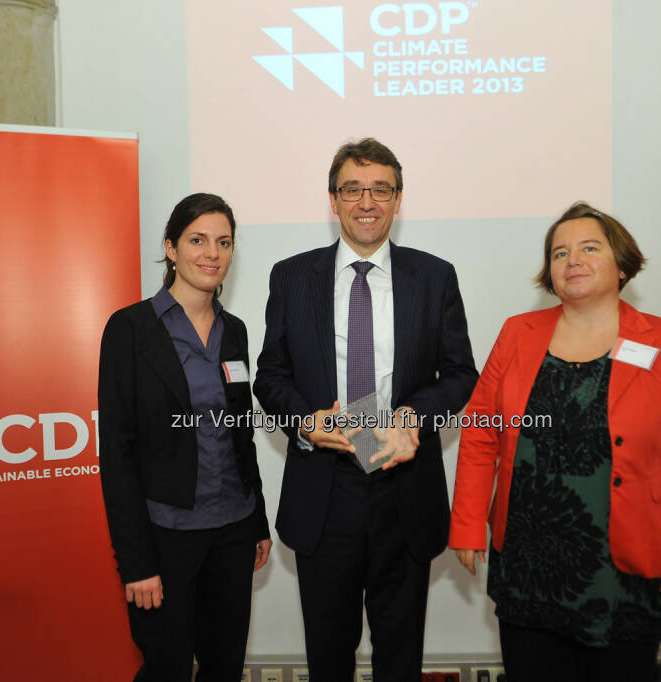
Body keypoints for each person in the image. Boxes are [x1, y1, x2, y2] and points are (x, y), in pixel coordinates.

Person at [449, 201, 661, 681]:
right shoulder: (517, 333)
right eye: (559, 253)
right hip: (528, 567)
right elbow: (479, 434)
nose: (571, 260)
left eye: (589, 248)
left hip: (623, 573)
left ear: (621, 264)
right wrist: (469, 524)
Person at [253, 138, 478, 681]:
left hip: (404, 493)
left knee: (399, 658)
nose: (367, 202)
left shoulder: (434, 276)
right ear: (333, 200)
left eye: (381, 189)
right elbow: (271, 376)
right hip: (324, 491)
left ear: (399, 200)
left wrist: (412, 419)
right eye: (353, 189)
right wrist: (305, 424)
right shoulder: (291, 276)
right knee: (328, 656)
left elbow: (461, 375)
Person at [98, 193, 272, 682]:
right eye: (197, 240)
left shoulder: (234, 330)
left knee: (224, 666)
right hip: (165, 536)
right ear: (171, 248)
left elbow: (242, 434)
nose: (211, 254)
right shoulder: (129, 330)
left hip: (233, 530)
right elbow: (116, 454)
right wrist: (135, 563)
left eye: (223, 242)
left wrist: (257, 521)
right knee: (167, 668)